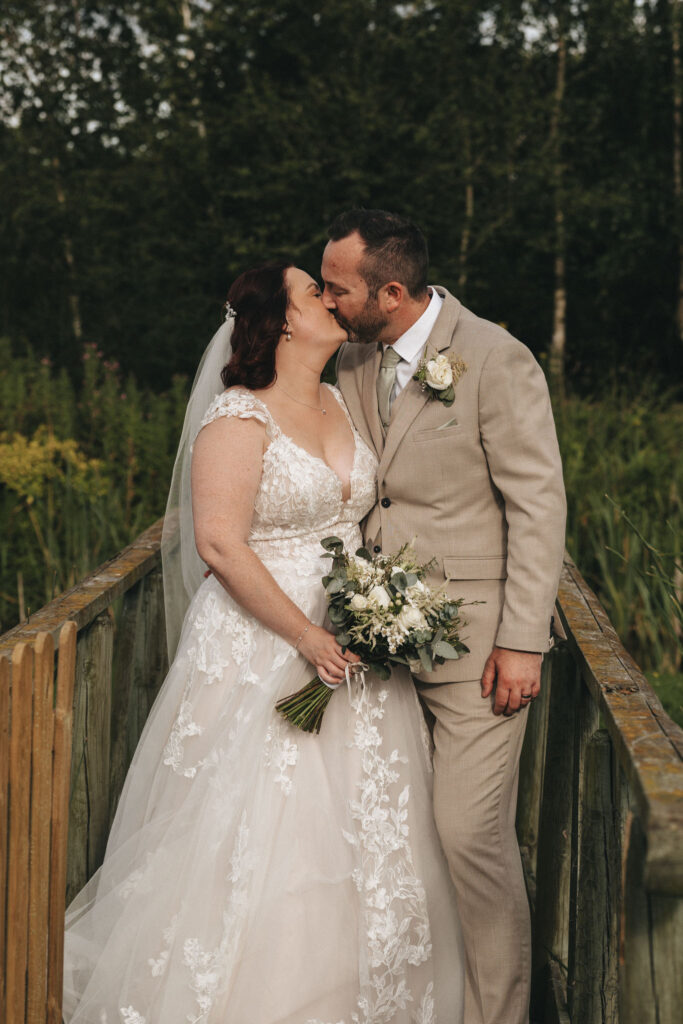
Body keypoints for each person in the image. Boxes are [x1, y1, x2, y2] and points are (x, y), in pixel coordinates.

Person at [62, 261, 465, 1023]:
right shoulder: (237, 417)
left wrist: (379, 609)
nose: (329, 296)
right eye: (314, 290)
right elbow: (218, 544)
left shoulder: (342, 399)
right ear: (281, 321)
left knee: (365, 829)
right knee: (259, 828)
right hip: (263, 639)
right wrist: (306, 632)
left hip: (355, 637)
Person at [323, 210, 567, 1024]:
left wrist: (522, 641)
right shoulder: (351, 356)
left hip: (478, 646)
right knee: (388, 835)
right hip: (374, 641)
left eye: (337, 288)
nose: (326, 301)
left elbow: (536, 504)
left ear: (390, 292)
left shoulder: (497, 358)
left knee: (469, 835)